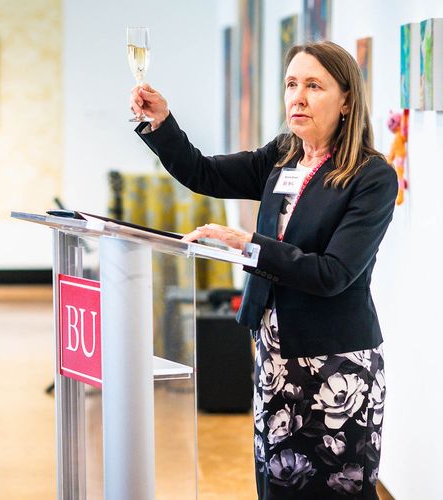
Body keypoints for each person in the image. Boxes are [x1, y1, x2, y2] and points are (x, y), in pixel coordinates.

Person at [131, 40, 397, 500]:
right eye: (292, 83)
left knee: (332, 491)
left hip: (336, 368)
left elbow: (333, 273)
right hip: (274, 356)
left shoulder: (371, 177)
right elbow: (203, 173)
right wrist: (161, 122)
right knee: (276, 485)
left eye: (314, 85)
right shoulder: (283, 156)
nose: (298, 96)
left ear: (347, 99)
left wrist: (250, 244)